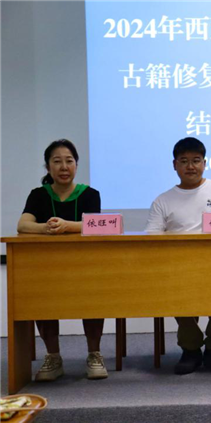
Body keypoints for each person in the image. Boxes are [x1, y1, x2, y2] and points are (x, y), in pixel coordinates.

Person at [146, 137, 211, 375]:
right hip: (179, 267)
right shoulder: (163, 200)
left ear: (204, 163)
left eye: (196, 160)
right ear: (174, 165)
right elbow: (152, 238)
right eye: (184, 161)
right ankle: (190, 349)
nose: (190, 166)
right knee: (178, 296)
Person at [17, 139, 107, 382]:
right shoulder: (39, 195)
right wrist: (45, 227)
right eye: (57, 161)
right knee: (41, 297)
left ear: (76, 165)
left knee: (93, 296)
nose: (64, 167)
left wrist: (67, 226)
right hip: (47, 268)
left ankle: (94, 354)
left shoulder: (89, 194)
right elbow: (23, 225)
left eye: (69, 161)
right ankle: (53, 357)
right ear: (48, 167)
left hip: (85, 266)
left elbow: (96, 225)